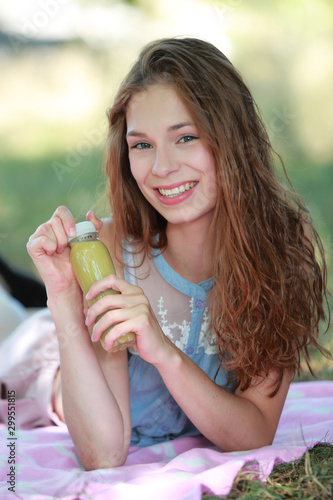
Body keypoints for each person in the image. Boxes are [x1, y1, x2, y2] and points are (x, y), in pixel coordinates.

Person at [9, 37, 331, 470]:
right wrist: (65, 301)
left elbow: (254, 431)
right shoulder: (112, 254)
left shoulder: (280, 261)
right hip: (41, 359)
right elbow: (104, 454)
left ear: (232, 139)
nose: (161, 168)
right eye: (142, 145)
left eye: (185, 137)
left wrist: (163, 351)